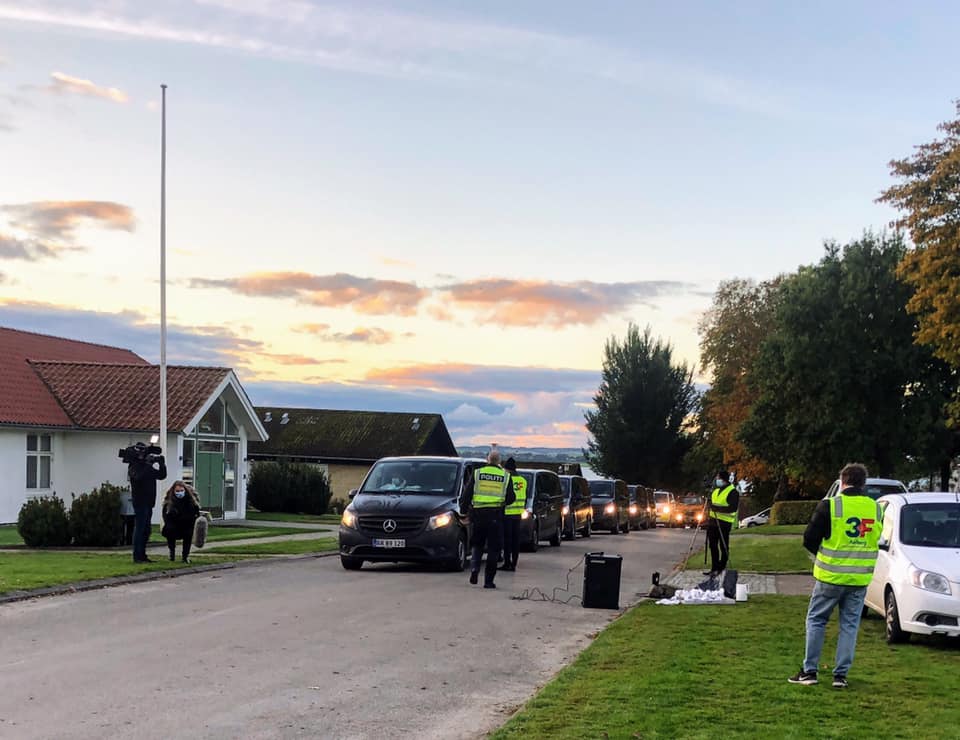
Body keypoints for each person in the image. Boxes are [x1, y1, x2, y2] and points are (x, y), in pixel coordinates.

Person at [789, 463, 881, 689]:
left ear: (842, 481)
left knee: (816, 620)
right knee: (849, 626)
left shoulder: (830, 505)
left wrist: (821, 555)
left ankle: (810, 671)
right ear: (863, 484)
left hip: (830, 576)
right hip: (859, 579)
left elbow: (809, 539)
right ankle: (840, 675)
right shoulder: (876, 508)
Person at [465, 446, 515, 589]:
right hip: (495, 516)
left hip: (478, 515)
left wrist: (464, 511)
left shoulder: (477, 473)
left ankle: (474, 569)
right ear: (499, 462)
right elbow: (511, 498)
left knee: (477, 544)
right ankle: (488, 581)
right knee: (494, 548)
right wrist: (502, 502)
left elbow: (467, 494)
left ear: (487, 459)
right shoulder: (505, 476)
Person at [128, 444, 167, 563]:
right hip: (140, 501)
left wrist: (162, 464)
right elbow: (138, 477)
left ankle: (143, 555)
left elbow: (161, 476)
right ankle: (137, 556)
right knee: (140, 529)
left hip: (149, 502)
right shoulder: (134, 466)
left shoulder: (147, 467)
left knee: (146, 530)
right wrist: (148, 464)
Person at [704, 469, 738, 577]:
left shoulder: (732, 492)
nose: (717, 480)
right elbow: (712, 505)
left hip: (724, 523)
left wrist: (717, 509)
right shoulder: (715, 491)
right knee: (713, 545)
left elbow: (732, 508)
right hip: (713, 522)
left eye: (718, 478)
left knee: (723, 546)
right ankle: (714, 567)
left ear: (723, 479)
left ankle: (722, 567)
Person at [161, 481, 201, 563]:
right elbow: (166, 517)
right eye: (177, 491)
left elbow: (195, 514)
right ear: (173, 491)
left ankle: (185, 556)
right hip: (173, 525)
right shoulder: (169, 503)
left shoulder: (191, 502)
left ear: (185, 490)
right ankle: (172, 554)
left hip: (187, 525)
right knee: (170, 530)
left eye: (181, 490)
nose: (180, 493)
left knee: (188, 533)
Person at [501, 457, 527, 572]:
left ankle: (507, 563)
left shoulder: (506, 479)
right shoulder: (523, 481)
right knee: (515, 540)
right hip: (518, 514)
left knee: (507, 540)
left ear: (507, 469)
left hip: (507, 513)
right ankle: (514, 563)